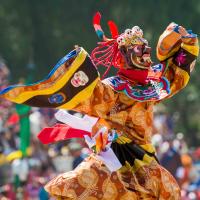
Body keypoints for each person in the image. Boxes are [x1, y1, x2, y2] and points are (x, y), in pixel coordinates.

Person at [0, 12, 199, 199]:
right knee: (73, 185)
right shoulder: (110, 89)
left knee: (167, 190)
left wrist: (185, 40)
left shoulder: (153, 84)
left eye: (146, 49)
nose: (147, 54)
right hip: (113, 159)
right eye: (139, 49)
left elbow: (175, 72)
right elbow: (85, 94)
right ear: (124, 57)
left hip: (145, 159)